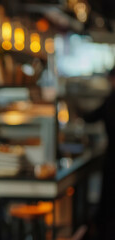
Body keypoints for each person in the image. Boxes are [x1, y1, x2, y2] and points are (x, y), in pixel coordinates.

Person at [81, 67, 115, 239]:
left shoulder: (111, 99)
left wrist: (77, 110)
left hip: (112, 157)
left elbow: (92, 116)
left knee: (109, 201)